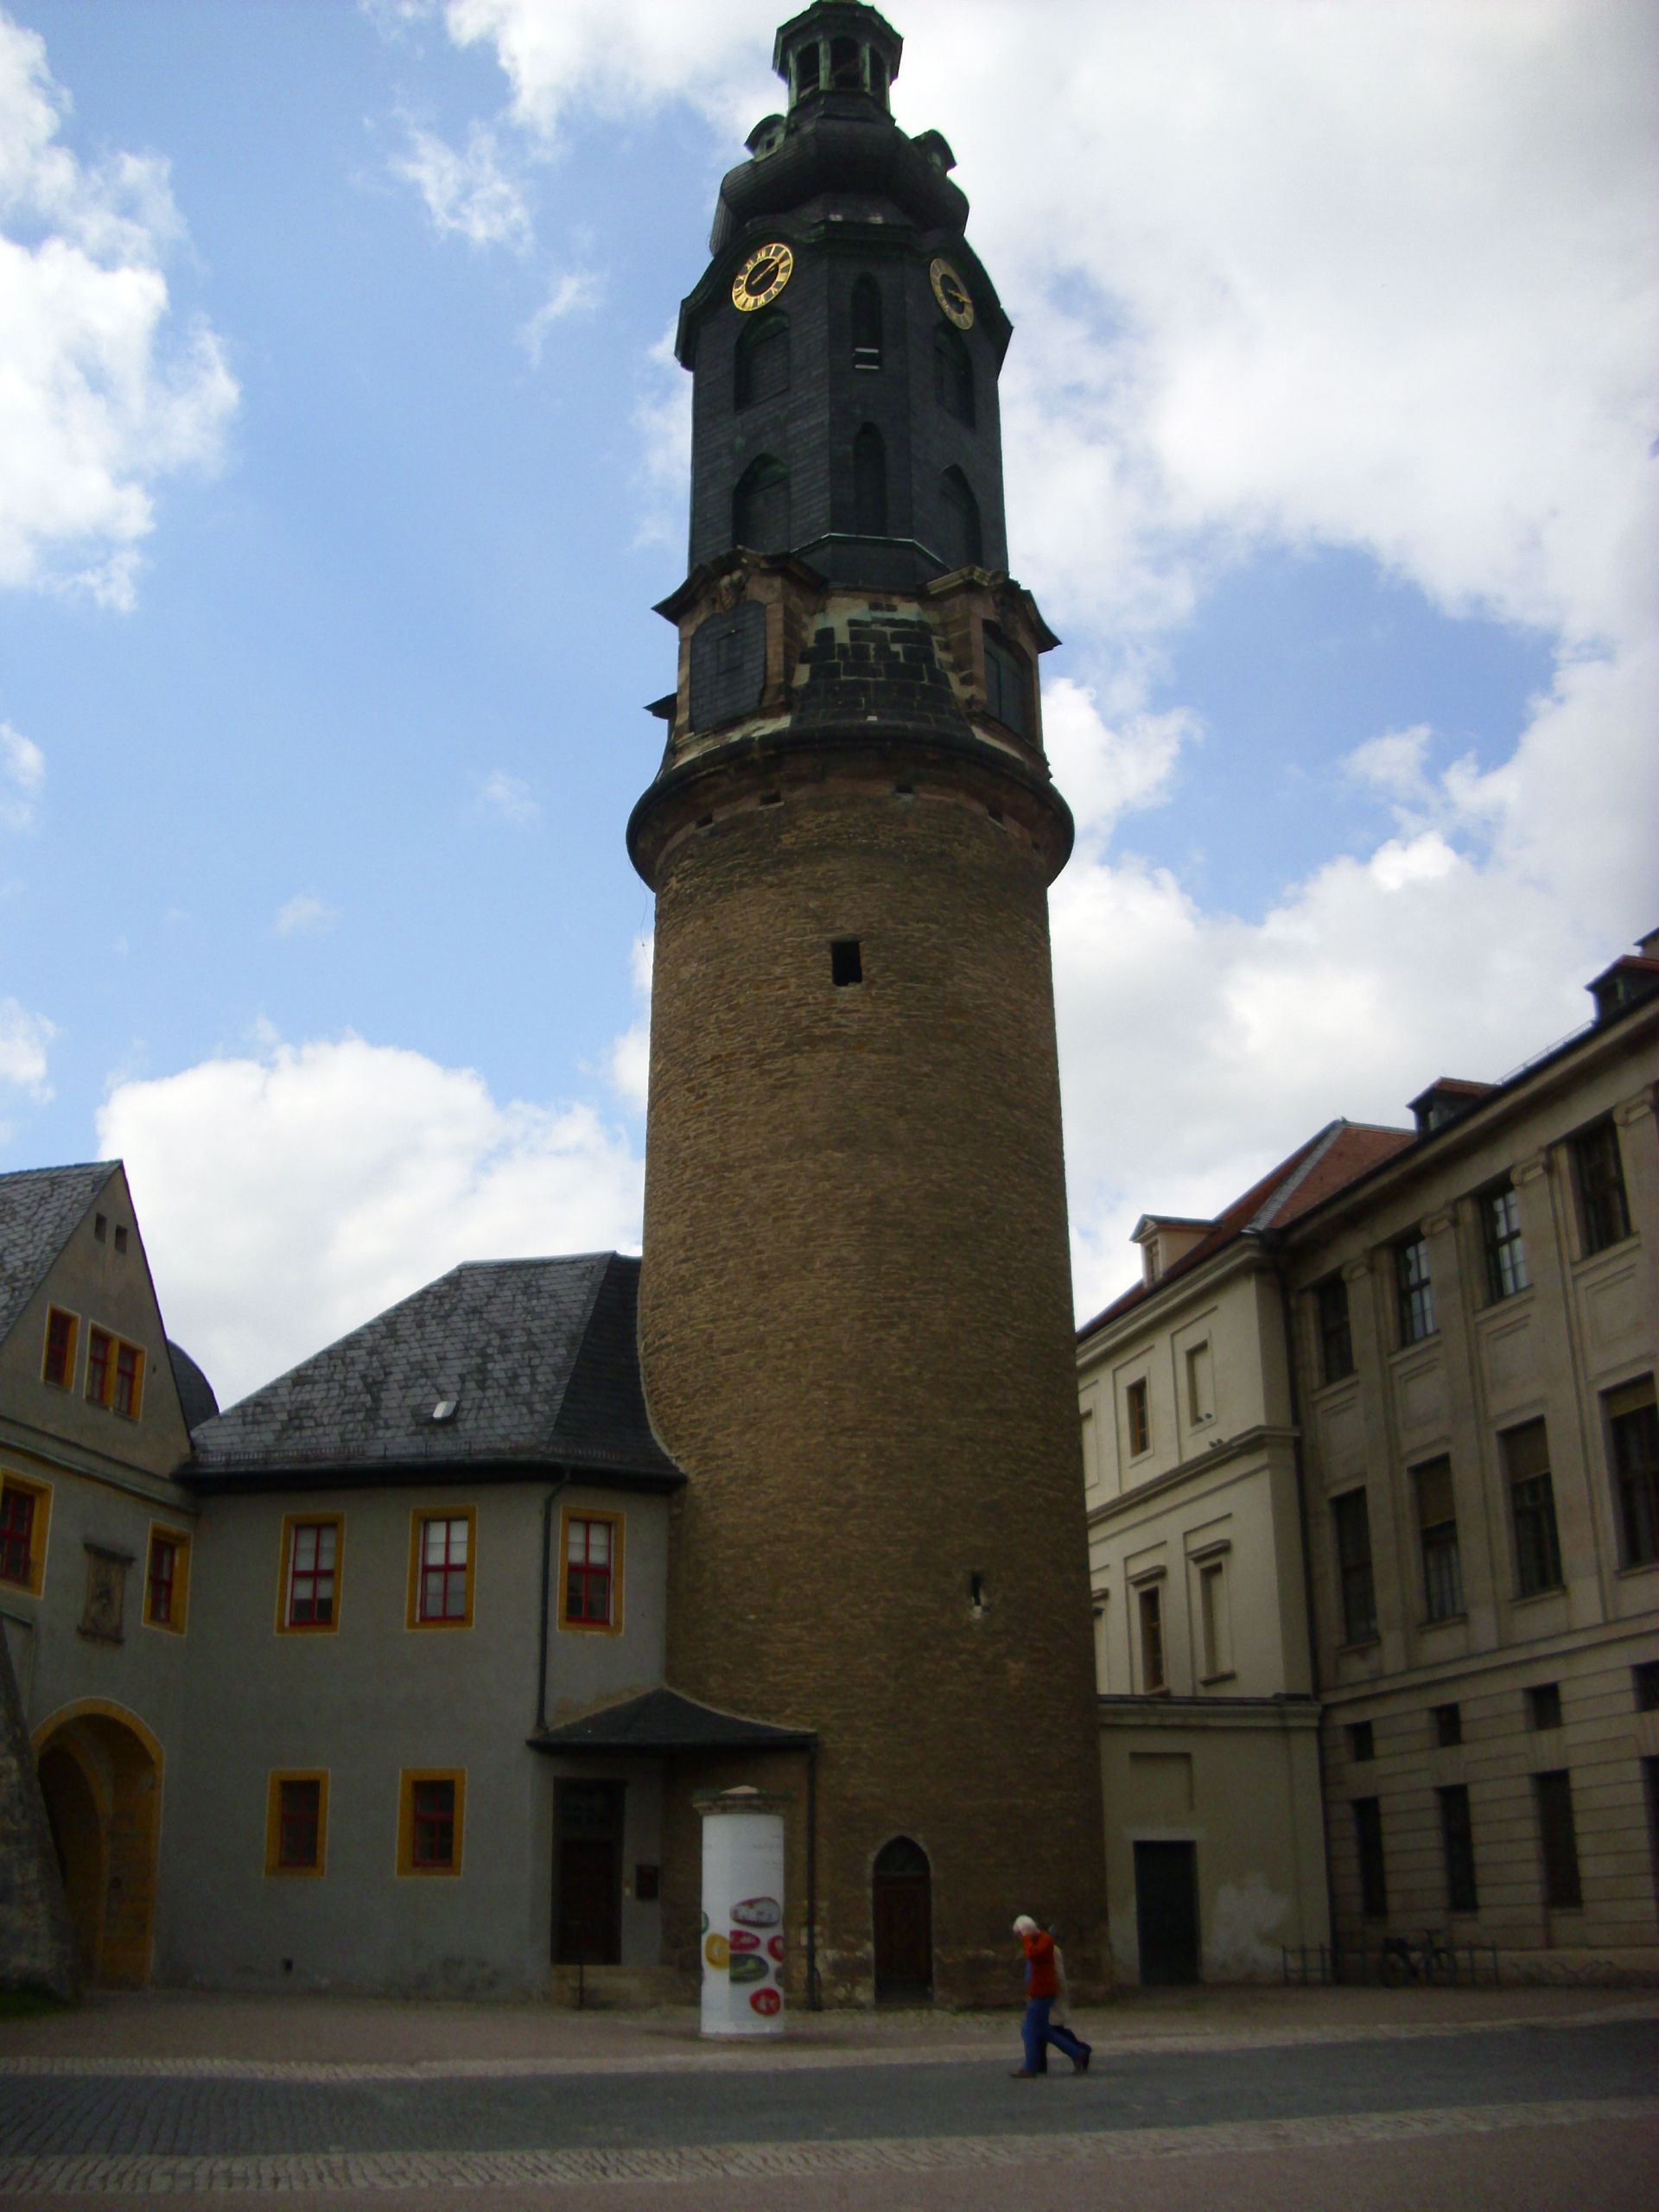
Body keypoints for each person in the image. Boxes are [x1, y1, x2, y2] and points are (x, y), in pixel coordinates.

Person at [1010, 1915, 1091, 2077]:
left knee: (1029, 2030)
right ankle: (1077, 2053)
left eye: (1020, 1935)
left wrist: (1026, 1938)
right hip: (1039, 1992)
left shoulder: (1045, 1941)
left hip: (1042, 1993)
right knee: (1043, 2030)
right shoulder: (1038, 1941)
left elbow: (1033, 1955)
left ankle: (1030, 2067)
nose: (1020, 1939)